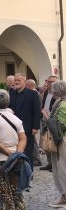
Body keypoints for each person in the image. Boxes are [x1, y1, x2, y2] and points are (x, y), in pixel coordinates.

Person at [0, 89, 27, 210]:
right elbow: (23, 138)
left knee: (2, 193)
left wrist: (8, 152)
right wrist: (18, 153)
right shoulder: (15, 118)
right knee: (16, 190)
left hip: (0, 159)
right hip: (15, 159)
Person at [9, 73, 42, 166]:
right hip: (14, 127)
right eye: (15, 80)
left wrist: (35, 127)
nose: (16, 82)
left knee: (28, 151)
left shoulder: (32, 94)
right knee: (16, 150)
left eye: (18, 80)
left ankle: (28, 172)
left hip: (28, 127)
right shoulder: (12, 94)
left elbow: (37, 111)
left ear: (24, 81)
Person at [48, 80, 66, 208]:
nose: (52, 93)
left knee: (61, 170)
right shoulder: (60, 103)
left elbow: (60, 126)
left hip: (61, 141)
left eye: (53, 90)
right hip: (60, 140)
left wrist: (49, 120)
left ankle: (65, 196)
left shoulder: (63, 105)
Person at [41, 76, 59, 171]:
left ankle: (56, 164)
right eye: (49, 81)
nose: (50, 83)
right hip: (45, 119)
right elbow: (43, 104)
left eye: (52, 81)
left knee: (53, 143)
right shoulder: (47, 92)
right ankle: (50, 163)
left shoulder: (58, 94)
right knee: (45, 142)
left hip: (52, 120)